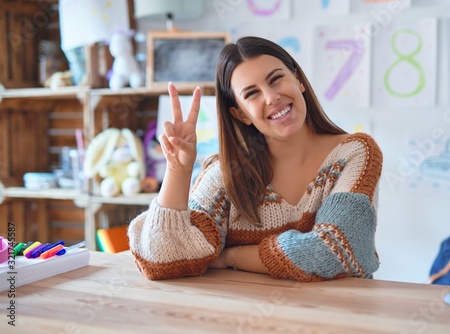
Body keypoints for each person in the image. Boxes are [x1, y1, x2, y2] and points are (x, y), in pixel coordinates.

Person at [128, 36, 383, 282]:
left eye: (276, 79)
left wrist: (231, 256)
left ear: (298, 80)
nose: (271, 98)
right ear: (240, 114)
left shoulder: (354, 153)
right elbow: (161, 260)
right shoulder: (227, 172)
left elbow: (333, 251)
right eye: (252, 94)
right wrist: (178, 169)